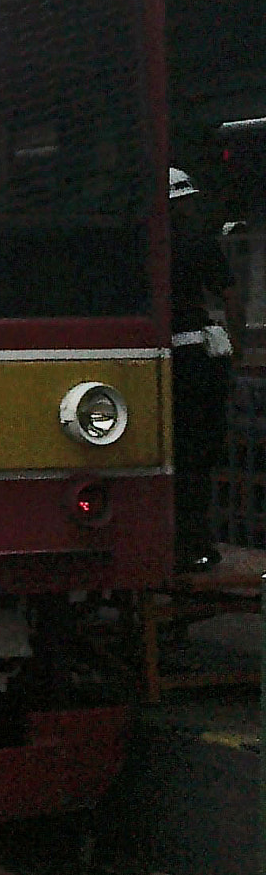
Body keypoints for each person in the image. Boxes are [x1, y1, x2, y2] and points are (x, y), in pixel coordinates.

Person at [170, 167, 239, 574]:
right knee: (198, 453)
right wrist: (240, 346)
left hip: (149, 361)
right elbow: (230, 296)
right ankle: (194, 543)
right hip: (195, 357)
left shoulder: (138, 244)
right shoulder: (197, 242)